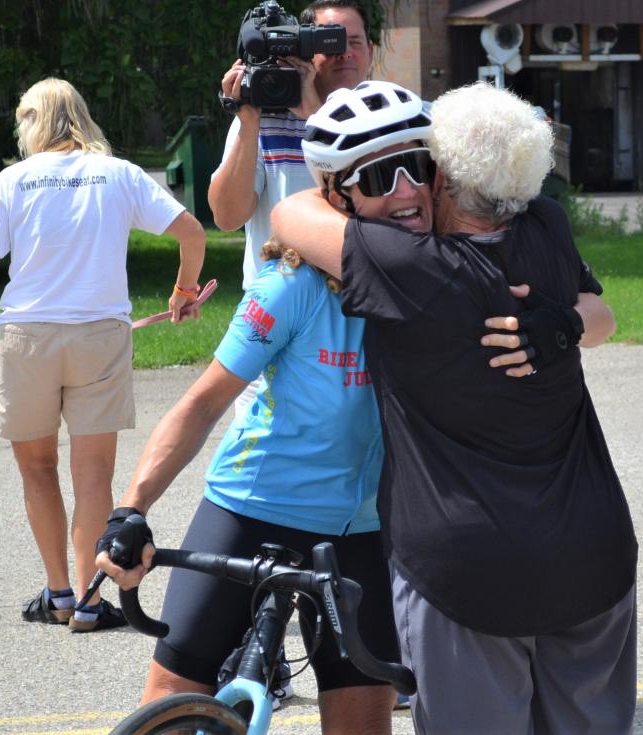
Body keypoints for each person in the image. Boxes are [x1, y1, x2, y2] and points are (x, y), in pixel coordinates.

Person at [270, 81, 639, 734]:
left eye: (419, 165)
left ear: (444, 174)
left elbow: (290, 215)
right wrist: (565, 325)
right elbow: (602, 314)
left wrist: (341, 183)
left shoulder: (411, 269)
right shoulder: (546, 228)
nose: (409, 189)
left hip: (469, 574)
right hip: (593, 555)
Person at [93, 82, 444, 735]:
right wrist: (131, 508)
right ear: (339, 195)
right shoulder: (292, 284)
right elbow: (203, 403)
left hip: (364, 530)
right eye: (378, 175)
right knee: (165, 709)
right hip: (249, 510)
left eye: (417, 166)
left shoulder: (449, 279)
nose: (405, 189)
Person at [0, 78, 206, 632]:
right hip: (100, 337)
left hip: (27, 339)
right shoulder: (119, 174)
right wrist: (183, 291)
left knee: (37, 469)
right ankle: (88, 601)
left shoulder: (14, 180)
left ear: (34, 121)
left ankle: (57, 594)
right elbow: (193, 232)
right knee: (94, 472)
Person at [208, 0, 375, 419]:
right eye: (330, 44)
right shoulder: (263, 122)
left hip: (361, 311)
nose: (344, 54)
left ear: (371, 50)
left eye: (353, 42)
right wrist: (248, 120)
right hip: (276, 313)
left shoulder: (386, 117)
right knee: (262, 449)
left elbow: (376, 204)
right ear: (303, 51)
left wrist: (313, 118)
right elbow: (227, 217)